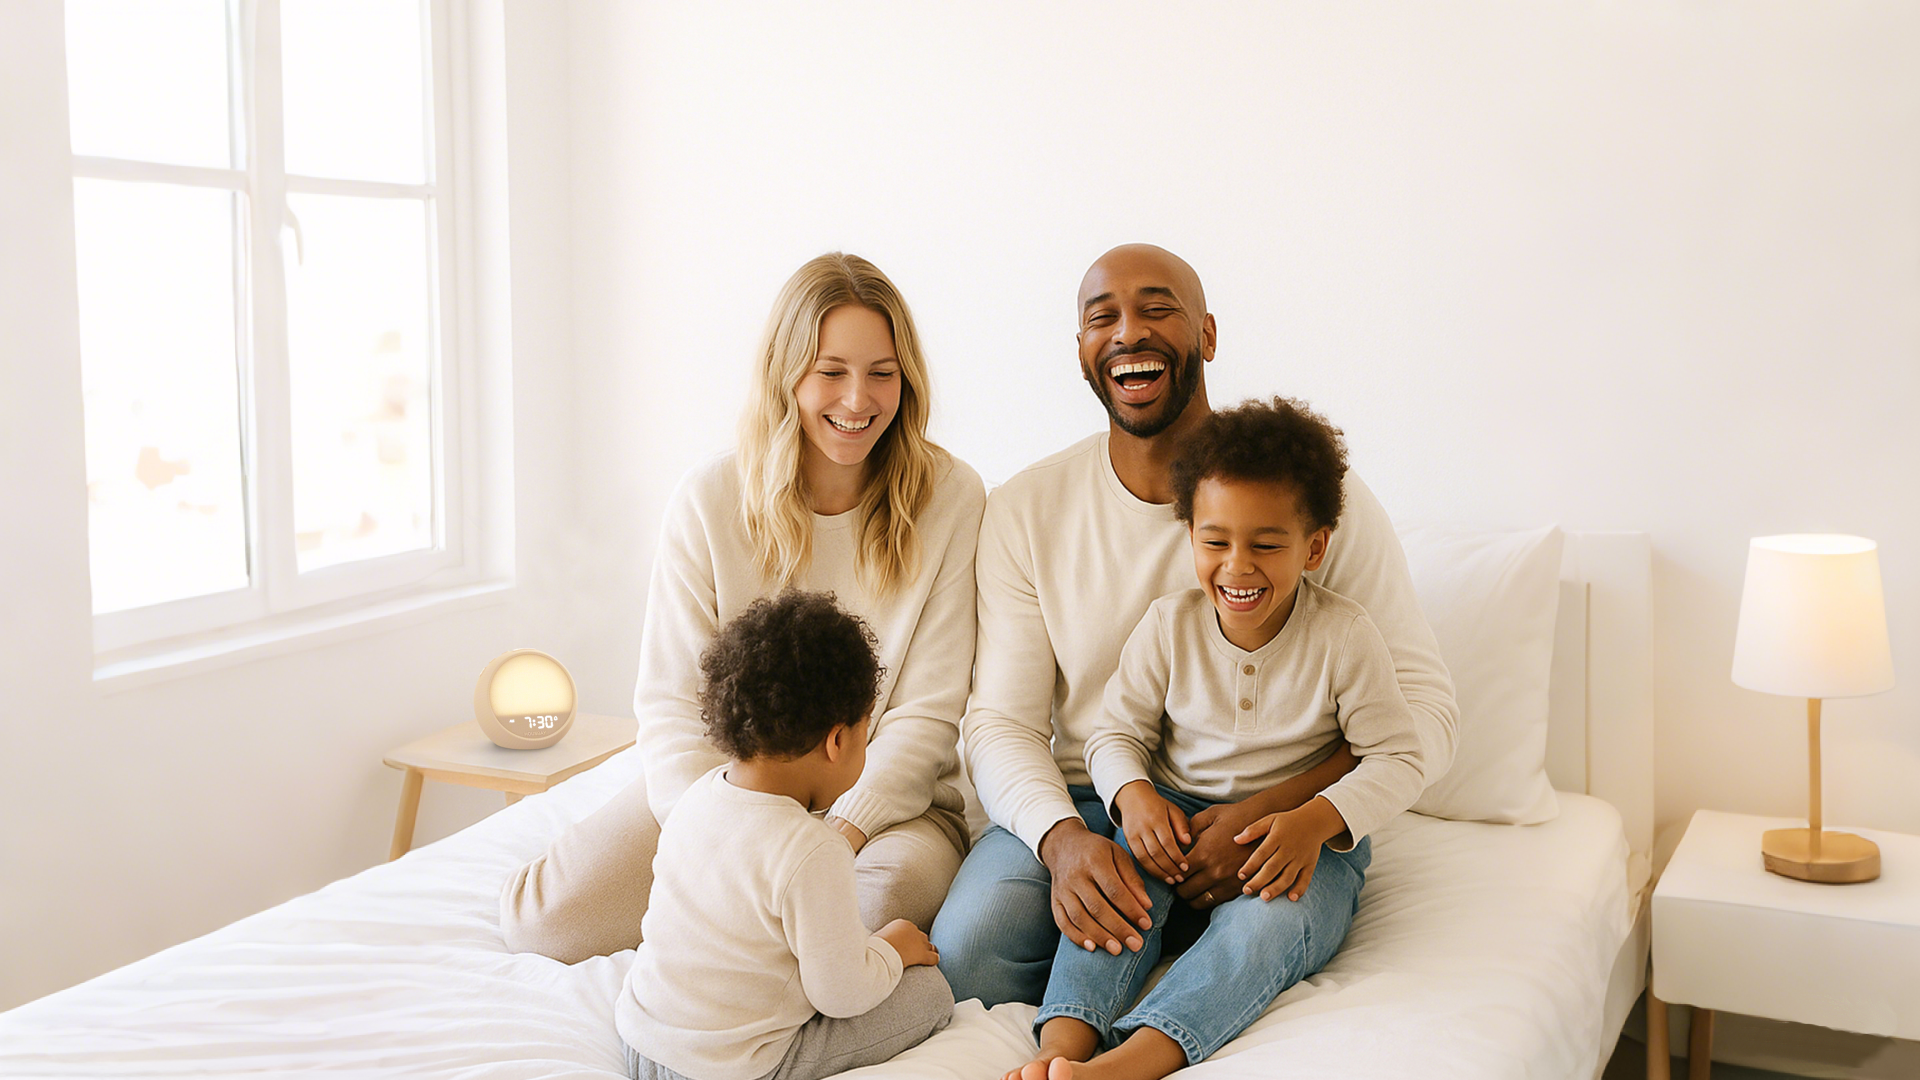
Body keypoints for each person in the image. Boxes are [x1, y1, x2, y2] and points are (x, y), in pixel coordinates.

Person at [930, 244, 1459, 1009]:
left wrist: (1270, 811)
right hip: (1095, 800)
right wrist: (1065, 842)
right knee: (968, 957)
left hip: (1274, 817)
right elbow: (1001, 724)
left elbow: (1421, 716)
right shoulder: (1026, 509)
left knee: (1260, 936)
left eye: (1156, 309)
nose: (1126, 334)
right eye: (1100, 318)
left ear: (1207, 335)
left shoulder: (1313, 500)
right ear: (1080, 350)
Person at [502, 254, 985, 961]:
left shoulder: (951, 497)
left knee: (860, 914)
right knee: (545, 925)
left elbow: (928, 716)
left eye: (882, 372)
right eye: (831, 371)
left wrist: (833, 833)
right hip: (724, 793)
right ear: (786, 373)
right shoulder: (709, 501)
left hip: (884, 809)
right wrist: (731, 840)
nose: (858, 399)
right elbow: (671, 708)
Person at [1005, 397, 1434, 1080]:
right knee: (1120, 888)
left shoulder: (1346, 637)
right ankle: (1061, 1047)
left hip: (1304, 842)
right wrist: (1135, 796)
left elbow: (1399, 755)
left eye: (1266, 544)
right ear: (1191, 535)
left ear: (1315, 546)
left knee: (1264, 930)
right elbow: (1114, 732)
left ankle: (1136, 1060)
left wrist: (1311, 823)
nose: (1237, 567)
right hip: (1173, 818)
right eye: (1215, 541)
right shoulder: (1168, 626)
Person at [619, 590, 954, 1080]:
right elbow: (841, 995)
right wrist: (892, 948)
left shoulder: (696, 798)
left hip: (644, 1042)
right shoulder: (814, 850)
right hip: (732, 1068)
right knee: (932, 996)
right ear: (838, 741)